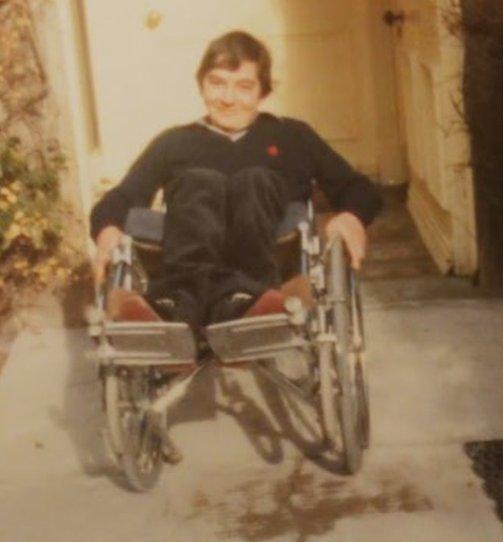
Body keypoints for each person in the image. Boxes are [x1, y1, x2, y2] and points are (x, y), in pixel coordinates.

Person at [89, 30, 382, 329]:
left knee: (254, 181)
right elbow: (123, 197)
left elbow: (357, 188)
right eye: (217, 83)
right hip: (190, 259)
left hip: (267, 258)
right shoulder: (174, 142)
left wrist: (352, 216)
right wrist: (107, 228)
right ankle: (184, 306)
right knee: (198, 183)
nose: (228, 99)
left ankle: (244, 298)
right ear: (201, 85)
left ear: (262, 92)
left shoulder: (292, 136)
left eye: (244, 87)